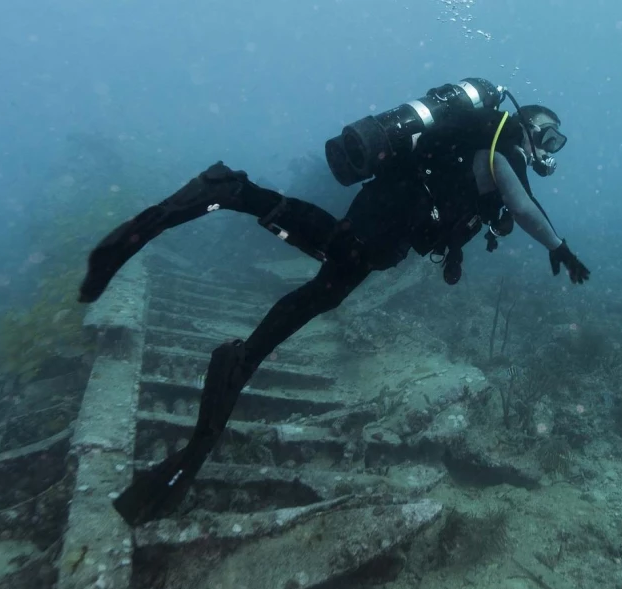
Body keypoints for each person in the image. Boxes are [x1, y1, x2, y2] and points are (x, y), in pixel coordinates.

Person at [77, 78, 592, 526]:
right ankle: (232, 193)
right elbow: (523, 207)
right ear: (526, 126)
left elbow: (478, 206)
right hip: (396, 209)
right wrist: (559, 246)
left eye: (557, 141)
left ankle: (243, 354)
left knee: (325, 288)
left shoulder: (484, 148)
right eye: (548, 134)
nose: (551, 146)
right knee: (334, 264)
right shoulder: (502, 138)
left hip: (397, 214)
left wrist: (455, 250)